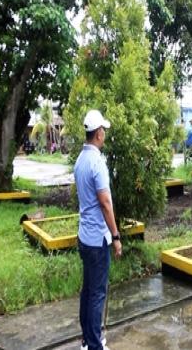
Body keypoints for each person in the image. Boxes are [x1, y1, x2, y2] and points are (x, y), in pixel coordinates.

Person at [75, 110, 122, 350]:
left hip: (84, 236)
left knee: (88, 290)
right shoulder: (97, 162)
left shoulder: (80, 160)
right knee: (97, 294)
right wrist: (115, 236)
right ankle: (94, 345)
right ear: (99, 133)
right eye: (104, 130)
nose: (104, 134)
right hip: (97, 239)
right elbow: (105, 203)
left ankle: (86, 339)